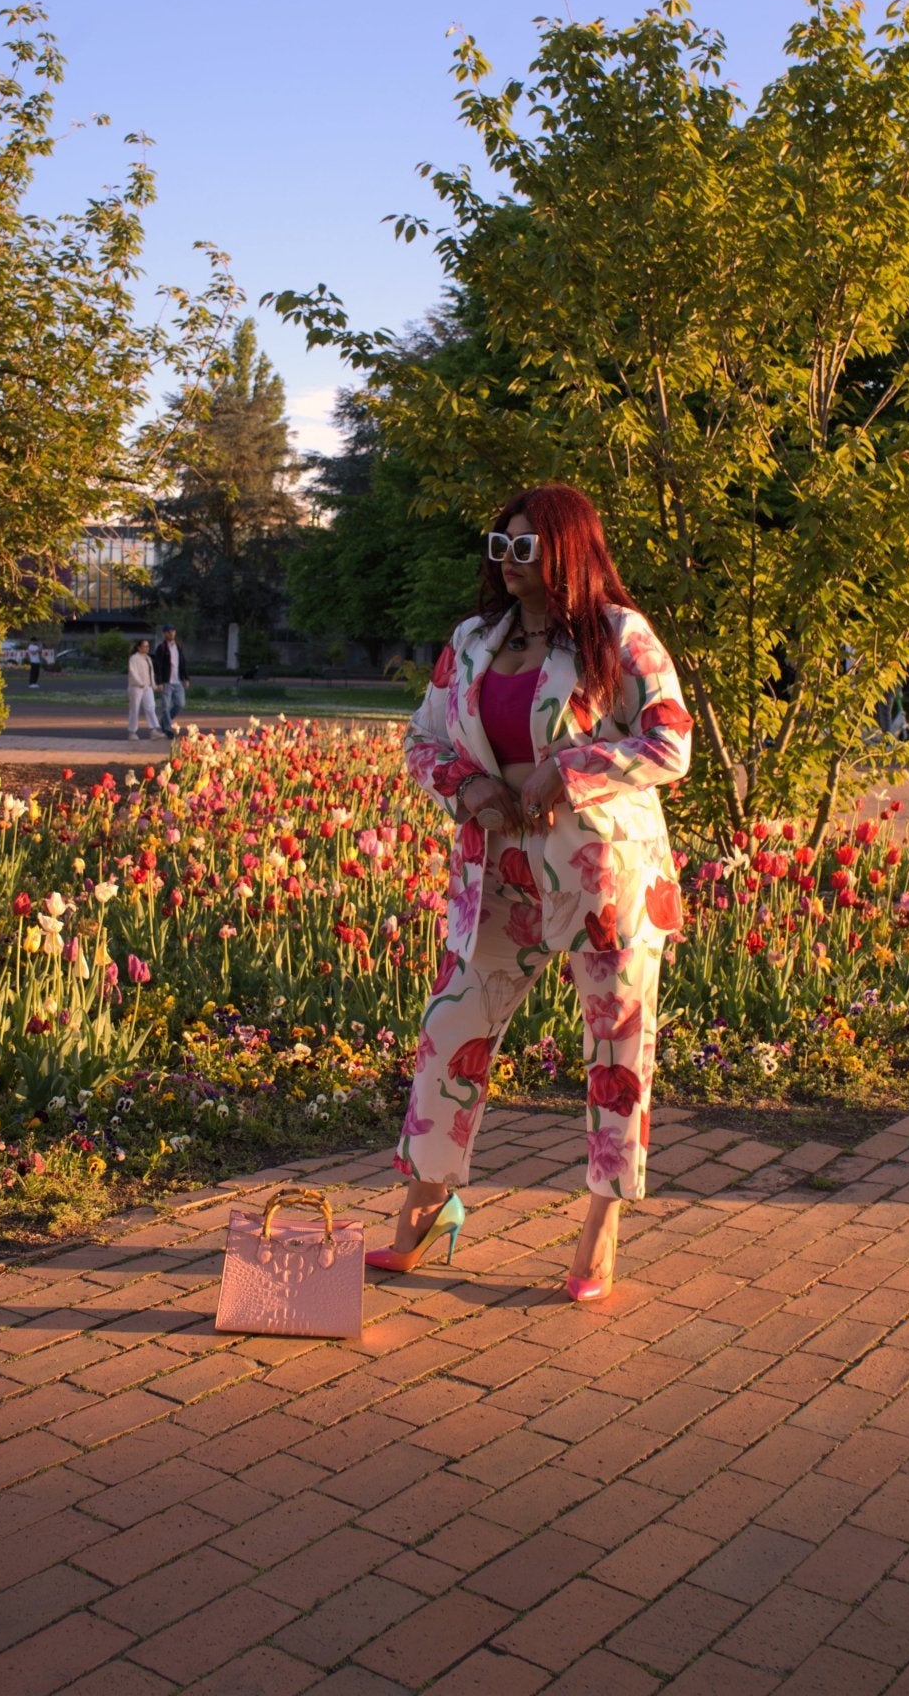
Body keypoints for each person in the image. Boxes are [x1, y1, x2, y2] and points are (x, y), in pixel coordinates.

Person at [367, 483, 693, 1302]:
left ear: (566, 550)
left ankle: (601, 1223)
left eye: (527, 548)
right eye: (500, 547)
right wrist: (465, 788)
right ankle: (427, 1203)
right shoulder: (473, 640)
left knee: (615, 1050)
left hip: (603, 875)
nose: (509, 564)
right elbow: (421, 738)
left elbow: (670, 741)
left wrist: (569, 767)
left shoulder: (618, 636)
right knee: (451, 1025)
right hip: (496, 871)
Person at [152, 626, 188, 736]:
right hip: (166, 682)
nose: (171, 633)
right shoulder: (161, 648)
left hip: (177, 681)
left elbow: (182, 663)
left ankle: (164, 721)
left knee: (180, 704)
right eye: (168, 632)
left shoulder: (178, 646)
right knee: (165, 706)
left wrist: (186, 678)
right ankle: (167, 729)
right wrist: (159, 682)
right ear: (164, 634)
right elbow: (157, 666)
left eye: (173, 631)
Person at [127, 638, 163, 739]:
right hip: (136, 687)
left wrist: (154, 685)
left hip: (147, 687)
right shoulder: (134, 658)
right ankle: (132, 732)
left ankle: (154, 730)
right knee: (135, 709)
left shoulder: (148, 658)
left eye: (148, 646)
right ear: (139, 647)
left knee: (151, 707)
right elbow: (132, 672)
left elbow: (151, 673)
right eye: (145, 646)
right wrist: (140, 682)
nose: (147, 648)